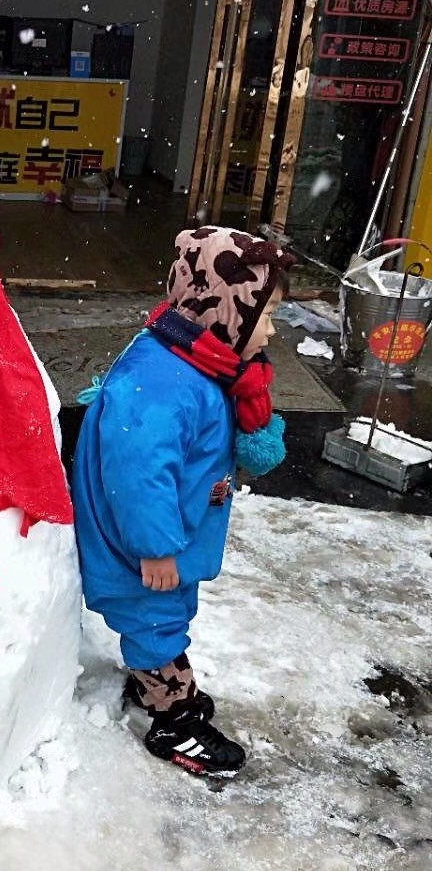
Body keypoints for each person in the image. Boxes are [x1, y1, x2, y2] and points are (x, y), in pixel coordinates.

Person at [71, 226, 293, 778]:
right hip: (137, 546)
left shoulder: (194, 359)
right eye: (265, 315)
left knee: (166, 617)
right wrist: (155, 548)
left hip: (170, 531)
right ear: (226, 310)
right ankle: (174, 721)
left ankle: (158, 684)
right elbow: (139, 473)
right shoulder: (165, 381)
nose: (271, 330)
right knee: (156, 622)